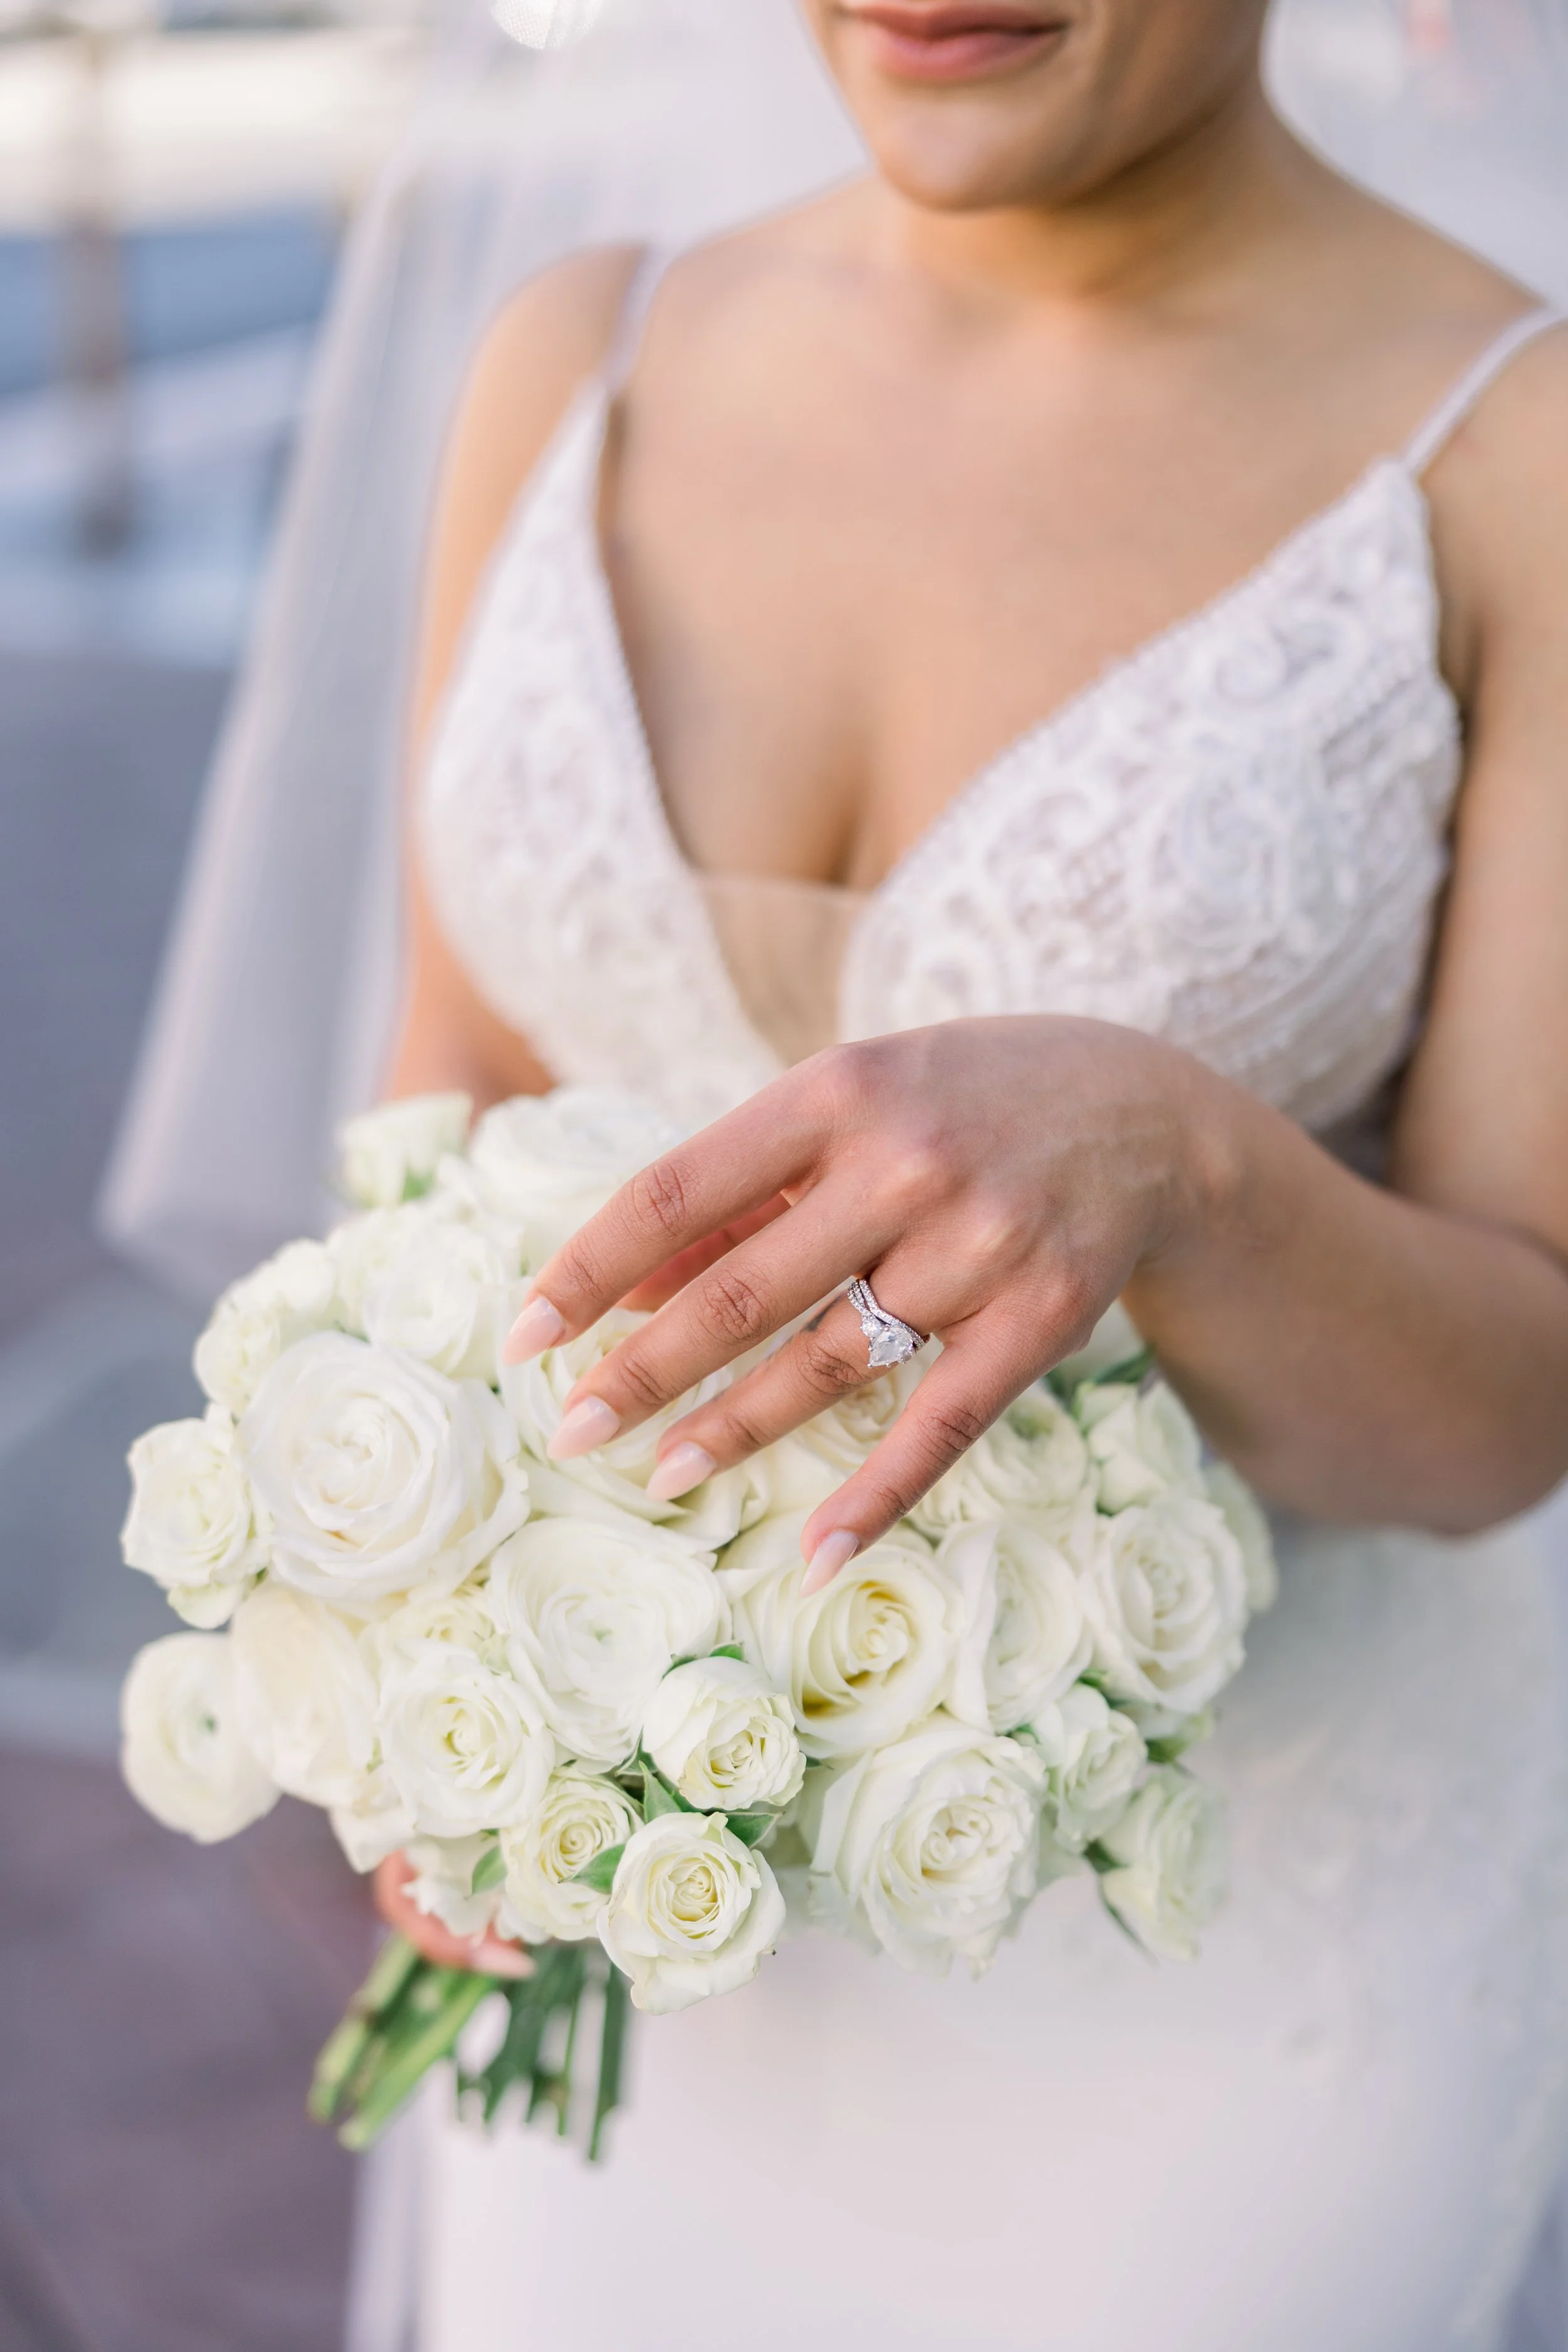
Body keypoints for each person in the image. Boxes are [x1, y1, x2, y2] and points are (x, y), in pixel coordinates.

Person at [349, 2, 1568, 2345]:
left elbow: (1518, 1401)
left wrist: (1181, 1164)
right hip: (632, 1932)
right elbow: (456, 1080)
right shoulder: (570, 351)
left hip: (1214, 1948)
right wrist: (401, 1644)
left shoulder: (1514, 451)